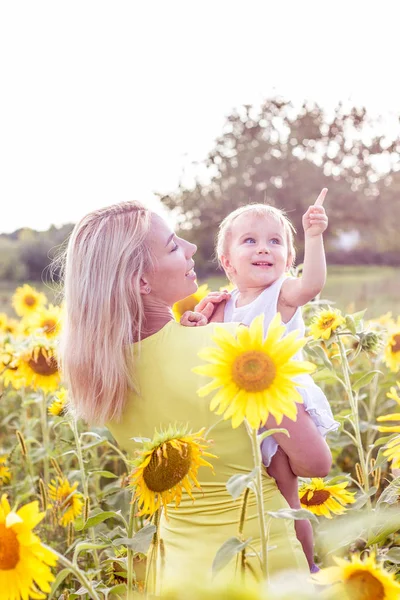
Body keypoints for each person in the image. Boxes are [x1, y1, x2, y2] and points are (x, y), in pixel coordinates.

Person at [59, 201, 332, 590]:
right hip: (261, 561)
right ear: (141, 282)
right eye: (172, 246)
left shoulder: (100, 378)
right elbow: (315, 462)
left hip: (175, 571)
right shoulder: (235, 350)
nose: (189, 248)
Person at [191, 189, 339, 572]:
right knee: (284, 502)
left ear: (289, 260)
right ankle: (301, 568)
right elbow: (201, 348)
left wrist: (315, 236)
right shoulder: (221, 306)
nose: (264, 249)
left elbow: (312, 286)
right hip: (244, 417)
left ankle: (308, 567)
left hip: (281, 401)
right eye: (250, 241)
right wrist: (196, 320)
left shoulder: (282, 293)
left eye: (275, 242)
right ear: (228, 262)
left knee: (317, 464)